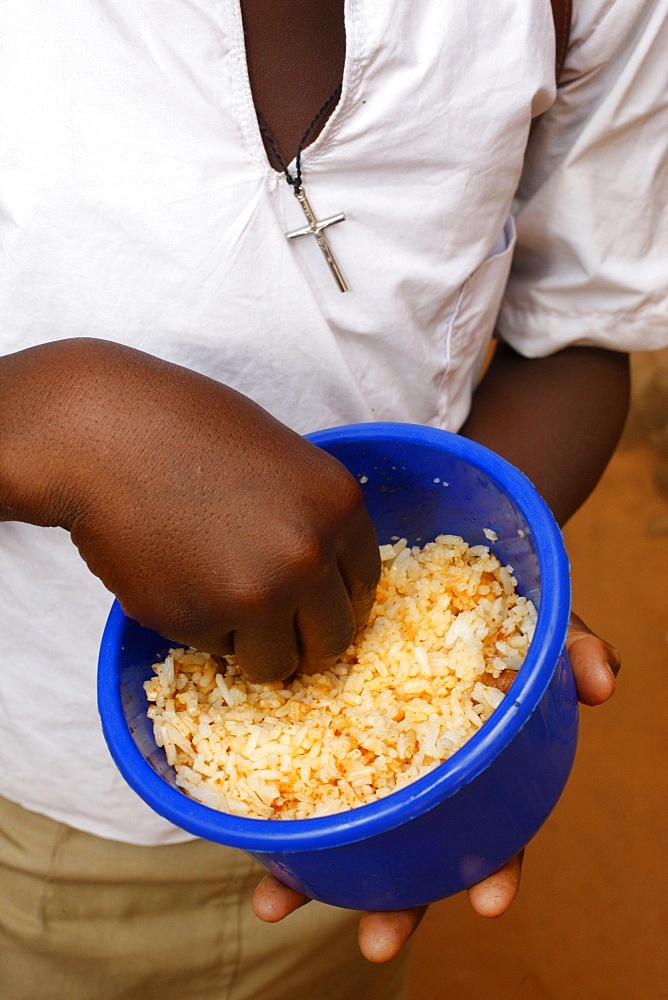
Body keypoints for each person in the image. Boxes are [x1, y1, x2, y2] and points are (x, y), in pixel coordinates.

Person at [0, 1, 665, 997]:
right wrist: (50, 419)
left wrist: (461, 620)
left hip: (330, 830)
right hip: (43, 804)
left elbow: (574, 326)